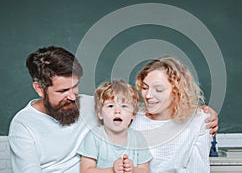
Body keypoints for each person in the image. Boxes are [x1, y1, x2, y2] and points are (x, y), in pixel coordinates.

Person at [8, 46, 218, 172]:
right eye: (63, 90)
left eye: (75, 86)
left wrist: (203, 112)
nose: (72, 96)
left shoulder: (93, 105)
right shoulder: (23, 126)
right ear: (39, 88)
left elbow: (141, 108)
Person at [131, 56, 211, 172]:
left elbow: (198, 169)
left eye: (158, 89)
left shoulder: (198, 122)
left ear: (177, 91)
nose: (148, 95)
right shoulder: (132, 119)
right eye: (144, 87)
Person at [77, 80, 152, 173]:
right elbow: (85, 171)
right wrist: (112, 170)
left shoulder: (138, 138)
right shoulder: (94, 136)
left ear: (133, 114)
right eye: (110, 106)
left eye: (124, 106)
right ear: (100, 113)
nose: (117, 111)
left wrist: (133, 169)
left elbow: (145, 171)